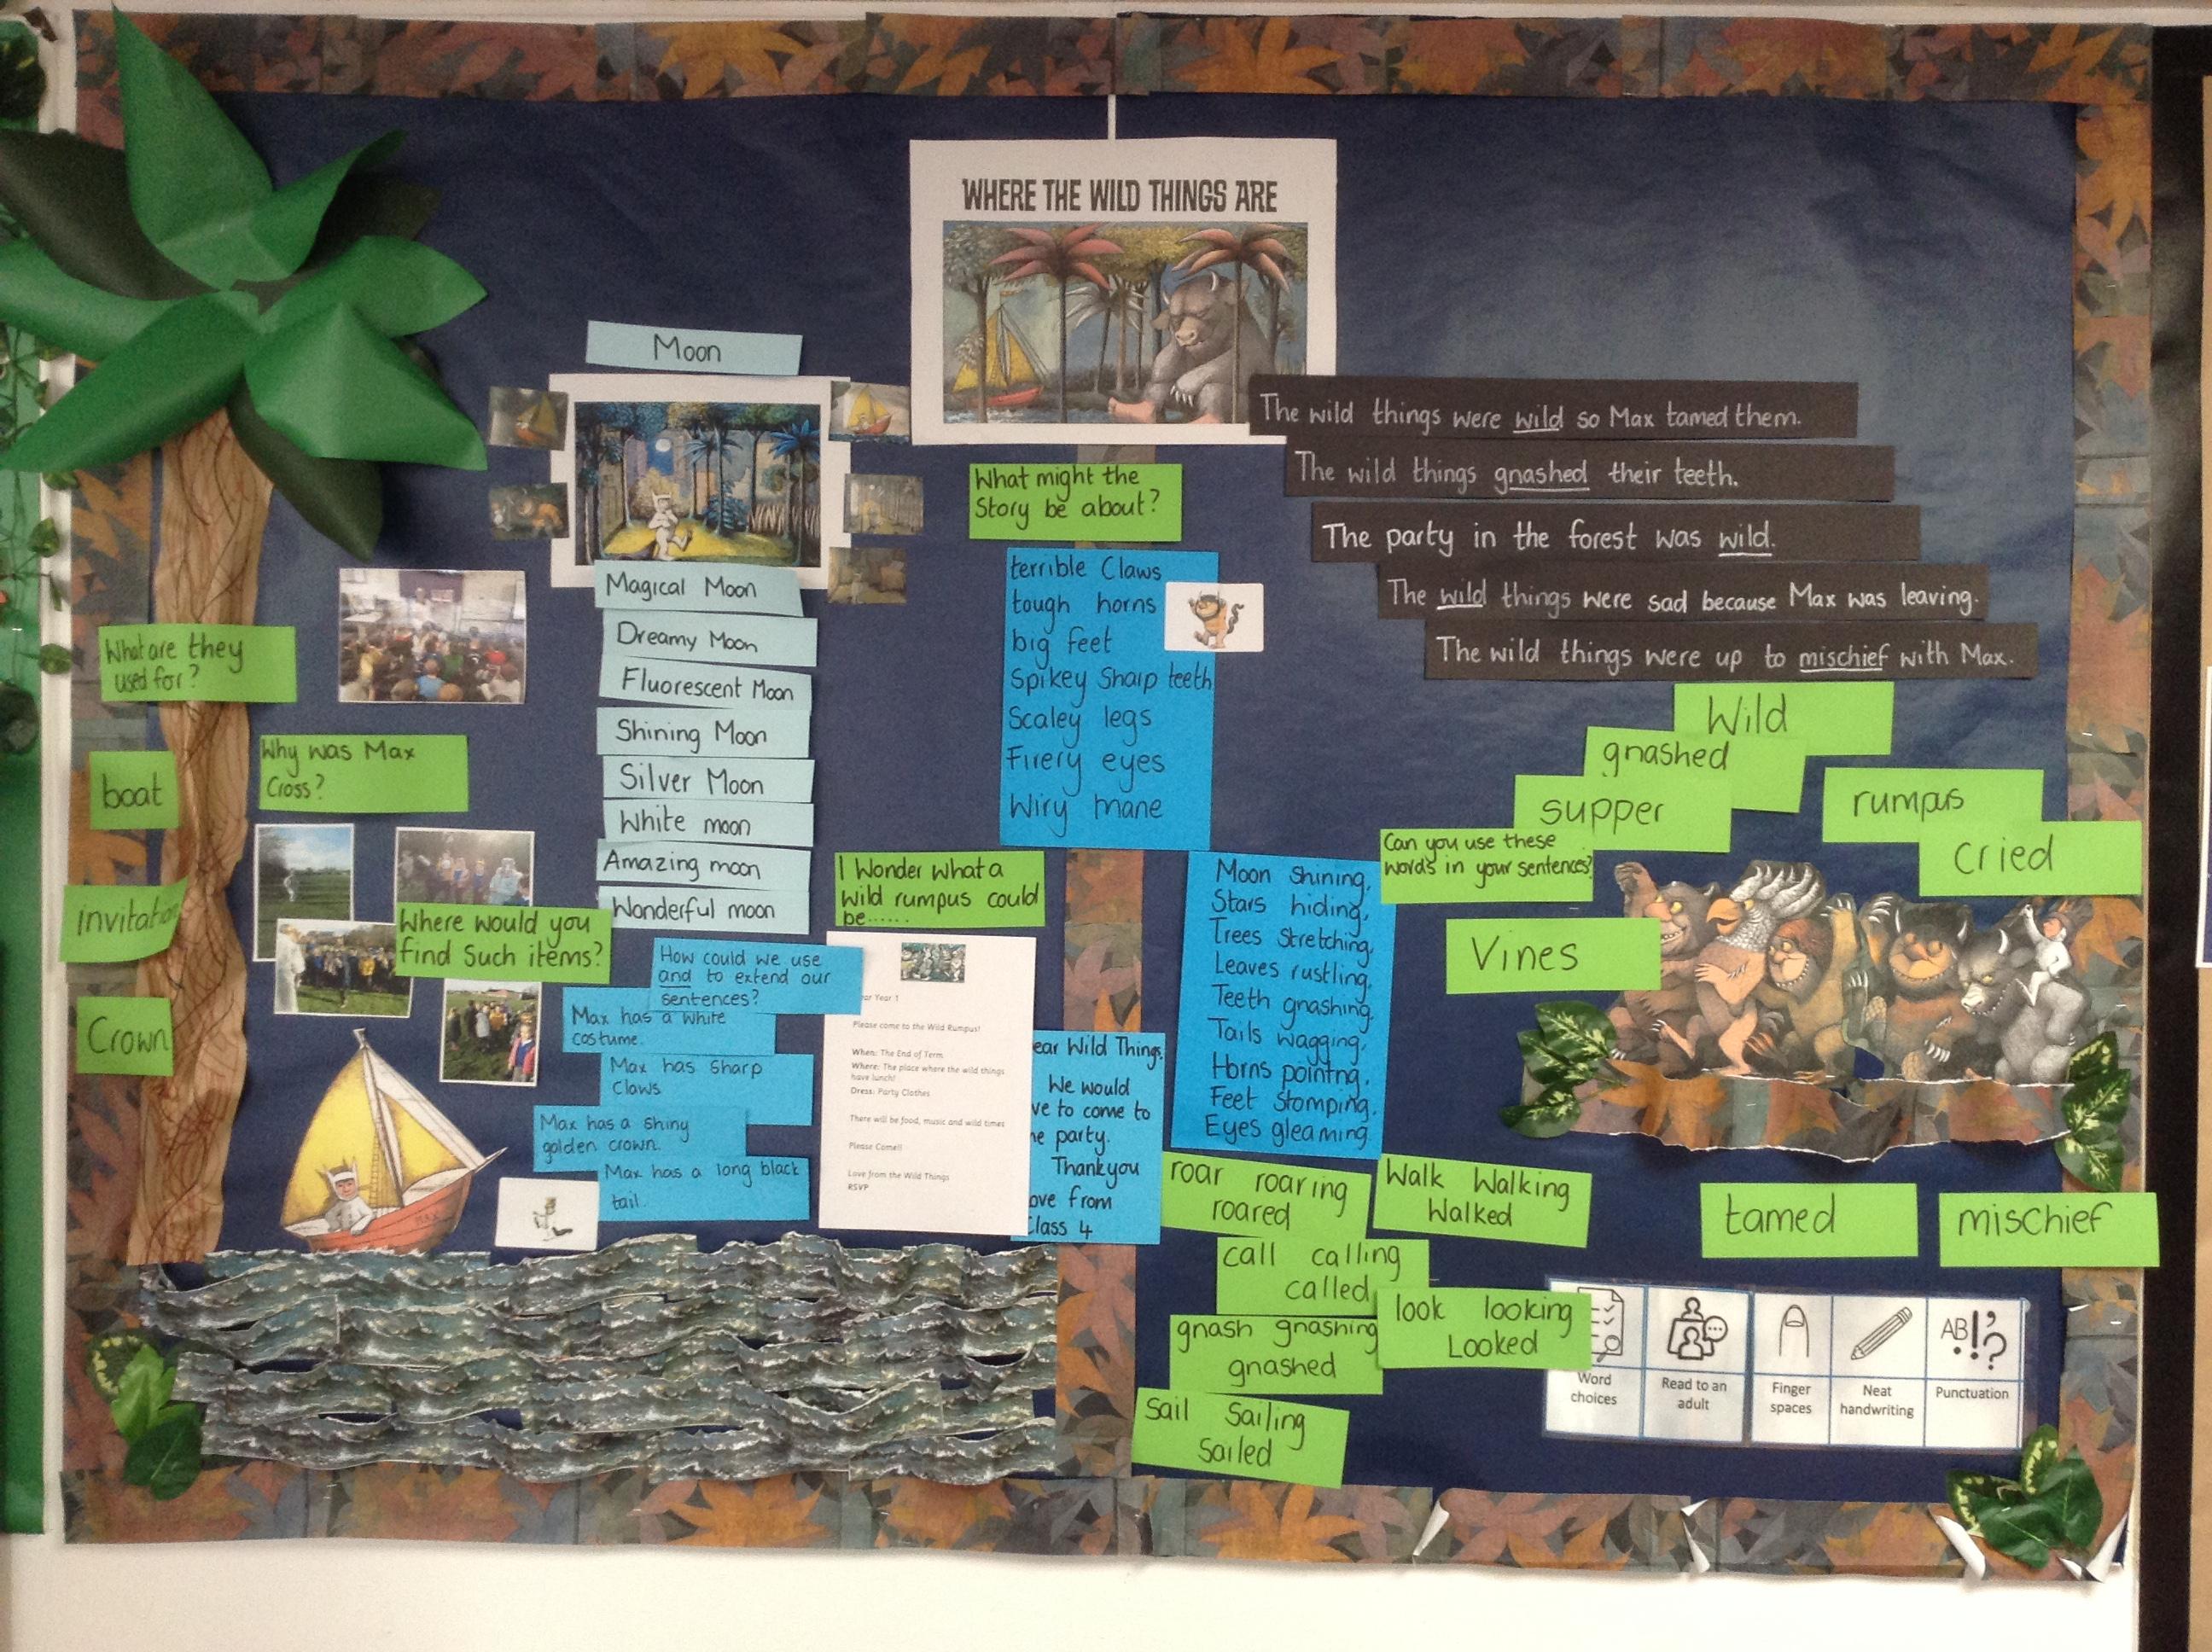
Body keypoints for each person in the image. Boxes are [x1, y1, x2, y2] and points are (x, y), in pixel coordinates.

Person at [321, 1166, 375, 1236]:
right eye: (340, 1186)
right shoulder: (341, 1204)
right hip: (345, 1234)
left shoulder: (358, 1202)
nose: (346, 1189)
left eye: (349, 1184)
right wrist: (336, 1228)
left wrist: (358, 1227)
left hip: (359, 1233)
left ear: (355, 1185)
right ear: (335, 1189)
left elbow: (370, 1215)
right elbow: (329, 1215)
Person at [273, 923, 303, 1014]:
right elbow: (298, 967)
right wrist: (297, 982)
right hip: (285, 978)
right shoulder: (292, 945)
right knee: (287, 1008)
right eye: (295, 932)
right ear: (290, 932)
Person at [507, 1016, 538, 1084]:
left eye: (527, 1033)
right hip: (517, 1066)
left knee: (524, 1082)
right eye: (522, 1032)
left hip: (527, 1069)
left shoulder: (534, 1045)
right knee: (515, 1081)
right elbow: (513, 1053)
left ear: (532, 1033)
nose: (524, 1034)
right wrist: (510, 1063)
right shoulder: (518, 1041)